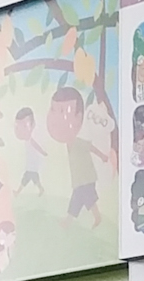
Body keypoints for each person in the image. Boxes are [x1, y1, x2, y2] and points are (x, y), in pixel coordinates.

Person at [46, 86, 110, 228]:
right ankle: (74, 220)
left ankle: (86, 219)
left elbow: (90, 147)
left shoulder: (77, 141)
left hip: (86, 177)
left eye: (63, 112)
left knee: (85, 198)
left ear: (78, 118)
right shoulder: (68, 142)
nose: (57, 119)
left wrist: (103, 156)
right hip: (79, 179)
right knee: (80, 199)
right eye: (53, 110)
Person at [12, 107, 47, 195]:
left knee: (26, 179)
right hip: (31, 166)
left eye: (25, 126)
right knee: (34, 179)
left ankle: (17, 192)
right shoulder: (27, 140)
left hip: (32, 166)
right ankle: (41, 189)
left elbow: (36, 147)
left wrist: (43, 152)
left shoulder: (31, 140)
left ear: (32, 125)